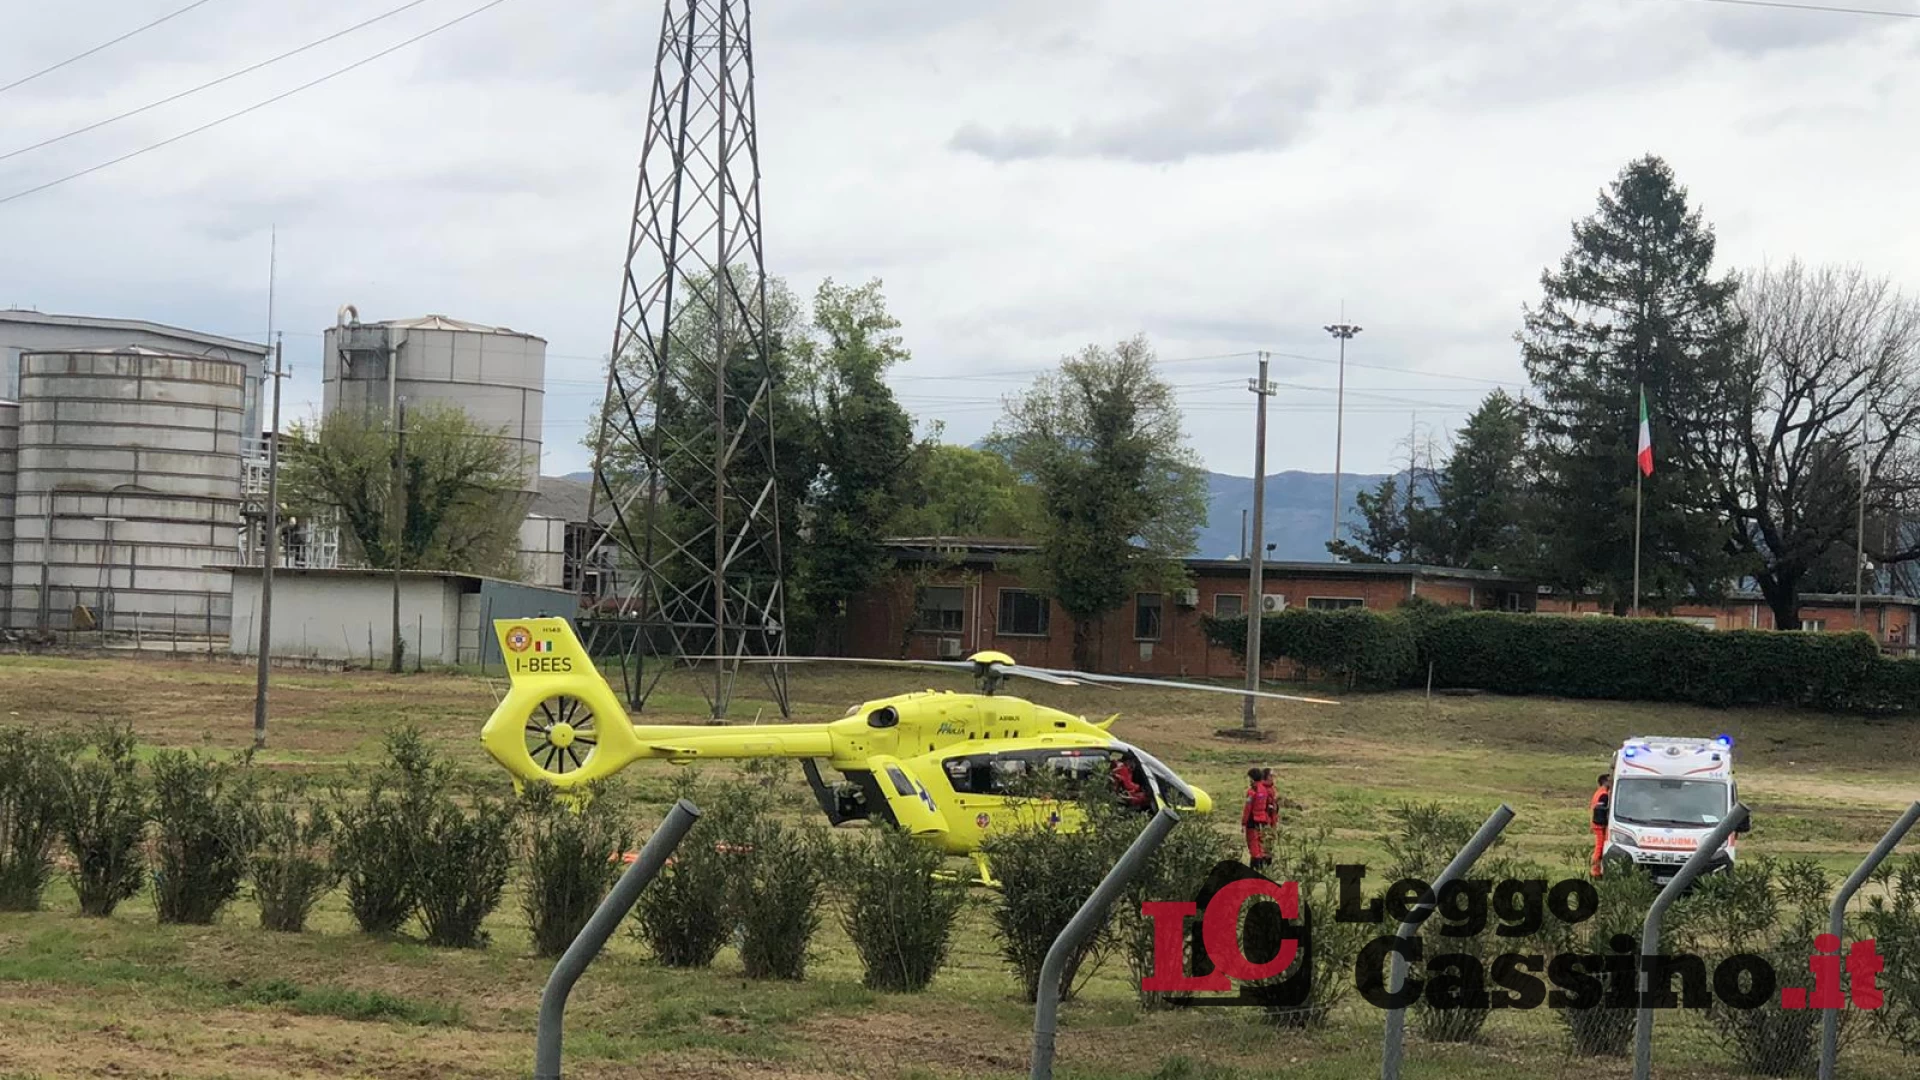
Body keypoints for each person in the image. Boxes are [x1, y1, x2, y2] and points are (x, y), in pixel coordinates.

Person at [1242, 767, 1273, 870]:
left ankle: (1255, 867)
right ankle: (1264, 866)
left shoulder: (1252, 791)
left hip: (1252, 821)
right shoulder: (1265, 790)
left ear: (1252, 778)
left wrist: (1243, 823)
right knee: (1261, 843)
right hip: (1263, 820)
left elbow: (1247, 809)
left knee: (1253, 844)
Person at [1589, 772, 1612, 878]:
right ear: (1604, 782)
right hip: (1600, 824)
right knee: (1599, 847)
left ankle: (1595, 869)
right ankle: (1595, 870)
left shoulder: (1599, 792)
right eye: (1609, 780)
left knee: (1599, 847)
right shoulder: (1603, 794)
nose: (1610, 782)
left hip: (1596, 823)